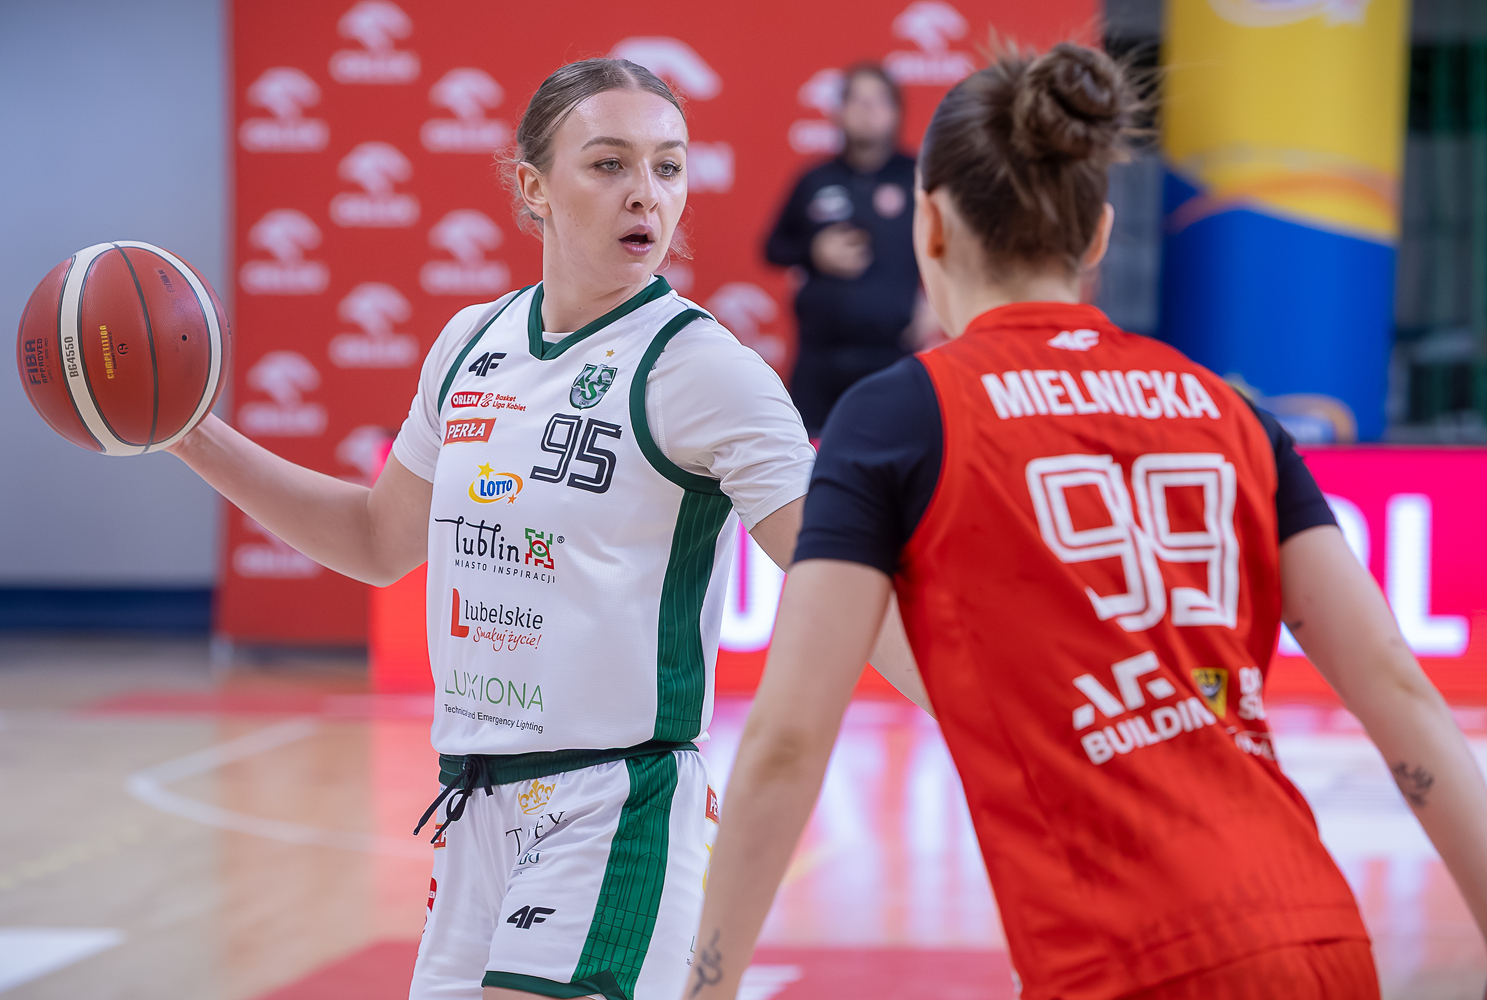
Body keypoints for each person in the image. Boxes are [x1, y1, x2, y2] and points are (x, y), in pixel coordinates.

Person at [689, 42, 1487, 1000]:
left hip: (1126, 966)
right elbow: (1399, 691)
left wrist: (704, 988)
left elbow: (786, 741)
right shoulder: (1230, 412)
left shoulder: (901, 415)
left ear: (930, 225)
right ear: (1099, 234)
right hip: (1321, 941)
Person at [166, 58, 823, 1000]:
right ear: (533, 187)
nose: (646, 192)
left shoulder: (704, 370)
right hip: (474, 807)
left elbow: (838, 575)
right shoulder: (472, 343)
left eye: (668, 166)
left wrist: (990, 720)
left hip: (615, 806)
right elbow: (376, 541)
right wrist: (188, 432)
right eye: (608, 163)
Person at [764, 63, 923, 436]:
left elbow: (957, 246)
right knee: (810, 460)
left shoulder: (919, 178)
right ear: (839, 111)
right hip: (821, 359)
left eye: (878, 101)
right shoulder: (816, 179)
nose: (867, 111)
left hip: (891, 355)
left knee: (894, 456)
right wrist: (814, 250)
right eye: (857, 100)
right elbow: (773, 248)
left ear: (896, 112)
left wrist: (935, 308)